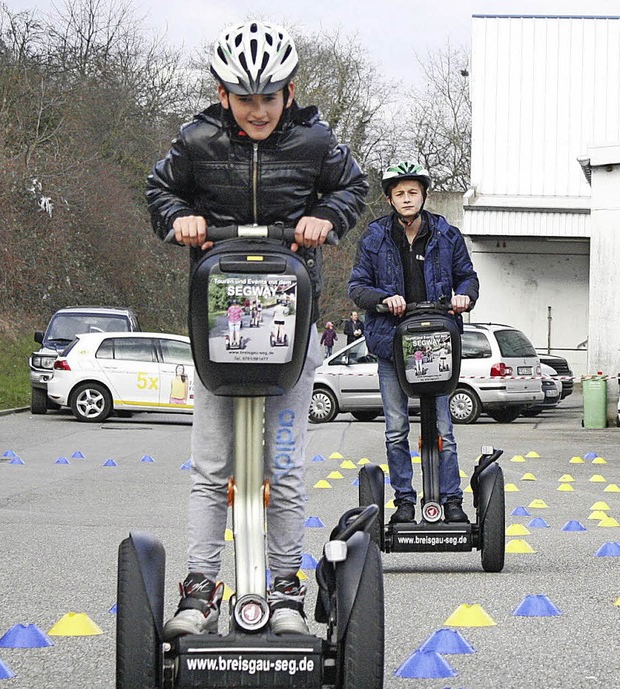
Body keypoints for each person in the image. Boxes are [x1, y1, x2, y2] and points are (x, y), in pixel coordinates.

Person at [146, 21, 368, 638]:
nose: (259, 110)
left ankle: (287, 589)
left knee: (287, 466)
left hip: (291, 327)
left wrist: (325, 215)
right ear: (223, 96)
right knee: (212, 467)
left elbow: (354, 186)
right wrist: (182, 219)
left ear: (289, 92)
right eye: (245, 99)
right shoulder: (195, 143)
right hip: (220, 322)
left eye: (270, 97)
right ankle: (199, 589)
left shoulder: (317, 141)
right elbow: (158, 190)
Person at [348, 161, 479, 525]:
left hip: (436, 341)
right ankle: (404, 501)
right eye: (399, 193)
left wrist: (464, 297)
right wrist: (383, 299)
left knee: (444, 430)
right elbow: (356, 287)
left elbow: (468, 277)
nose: (407, 199)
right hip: (392, 343)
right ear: (390, 198)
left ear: (423, 195)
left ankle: (452, 500)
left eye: (413, 192)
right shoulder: (374, 238)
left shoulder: (446, 234)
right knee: (396, 429)